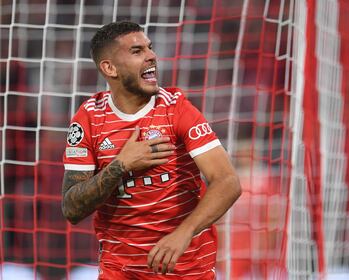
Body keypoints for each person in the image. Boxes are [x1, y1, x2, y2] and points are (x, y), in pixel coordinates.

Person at [61, 21, 241, 280]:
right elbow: (72, 209)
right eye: (137, 51)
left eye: (150, 48)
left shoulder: (177, 109)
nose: (151, 56)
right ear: (109, 68)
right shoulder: (88, 118)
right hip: (120, 270)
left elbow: (228, 182)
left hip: (187, 268)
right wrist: (120, 165)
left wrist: (184, 232)